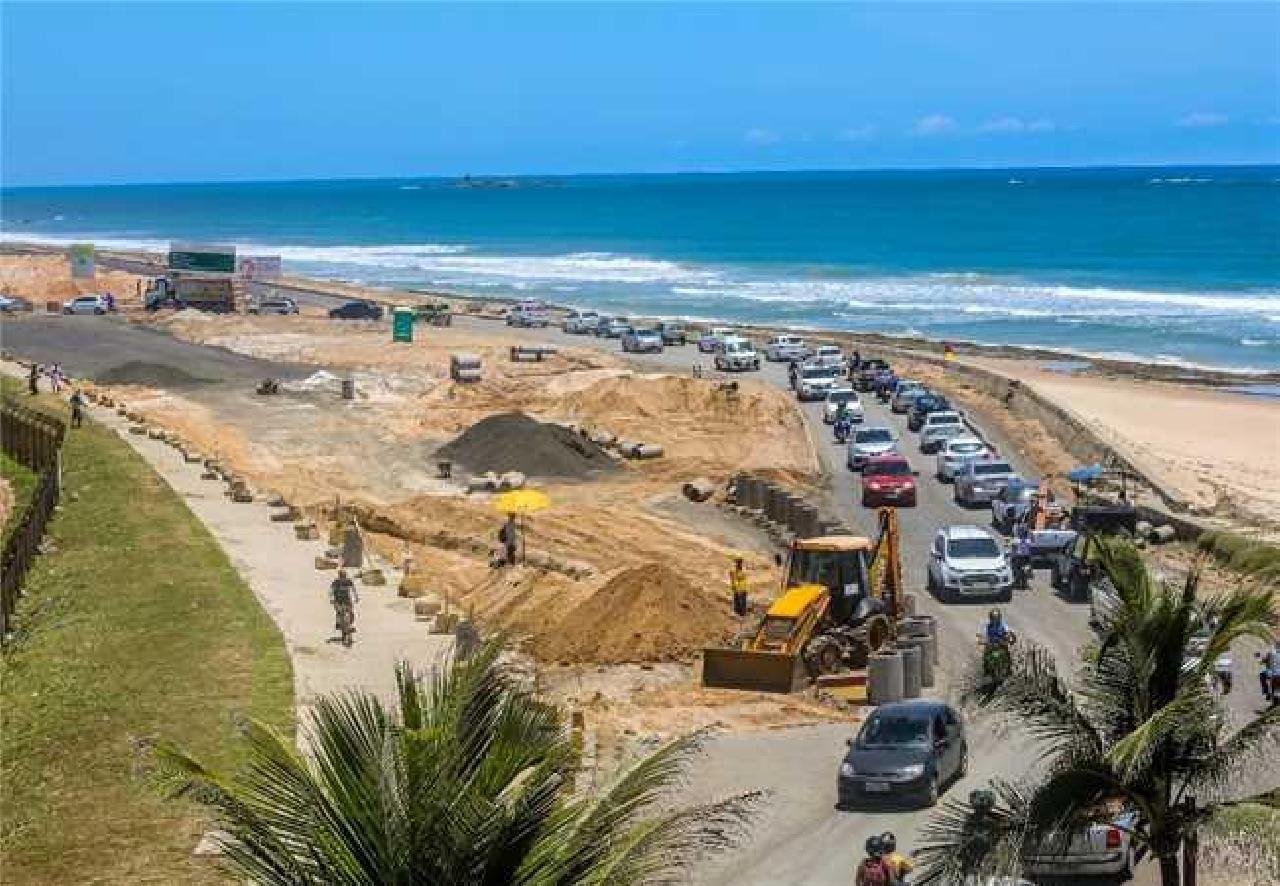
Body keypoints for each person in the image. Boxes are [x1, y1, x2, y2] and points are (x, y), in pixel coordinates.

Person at [329, 569, 359, 637]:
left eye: (344, 576)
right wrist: (332, 599)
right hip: (338, 600)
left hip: (346, 599)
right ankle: (338, 624)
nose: (343, 577)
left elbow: (353, 589)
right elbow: (331, 591)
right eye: (342, 576)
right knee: (339, 612)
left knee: (351, 612)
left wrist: (356, 597)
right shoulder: (336, 582)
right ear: (339, 576)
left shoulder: (348, 581)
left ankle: (350, 624)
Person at [1012, 525, 1032, 590]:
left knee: (1016, 568)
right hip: (1026, 557)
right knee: (1026, 568)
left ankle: (1018, 581)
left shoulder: (1016, 540)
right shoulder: (1028, 540)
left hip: (1019, 557)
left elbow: (1013, 549)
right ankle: (1024, 581)